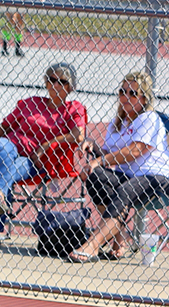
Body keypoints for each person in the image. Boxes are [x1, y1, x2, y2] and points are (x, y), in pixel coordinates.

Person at [0, 63, 86, 248]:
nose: (56, 85)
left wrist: (46, 145)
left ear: (71, 87)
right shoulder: (31, 103)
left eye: (62, 82)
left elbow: (78, 134)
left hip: (35, 161)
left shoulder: (73, 108)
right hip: (10, 147)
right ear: (46, 83)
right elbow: (5, 126)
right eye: (52, 80)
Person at [69, 71, 169, 263]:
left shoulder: (149, 118)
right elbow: (106, 154)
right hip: (130, 176)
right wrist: (92, 147)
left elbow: (135, 151)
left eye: (133, 93)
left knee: (124, 190)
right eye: (123, 92)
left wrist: (100, 160)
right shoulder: (117, 123)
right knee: (95, 175)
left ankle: (93, 245)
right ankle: (119, 238)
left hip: (157, 178)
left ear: (144, 98)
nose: (126, 97)